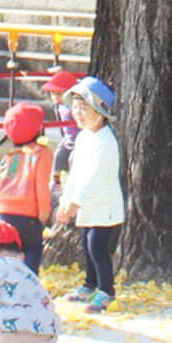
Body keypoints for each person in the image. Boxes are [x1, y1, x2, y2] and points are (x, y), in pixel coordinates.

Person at [55, 76, 123, 314]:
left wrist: (75, 202)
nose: (78, 113)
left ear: (100, 110)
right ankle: (90, 284)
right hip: (87, 207)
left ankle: (106, 291)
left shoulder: (105, 140)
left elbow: (97, 177)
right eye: (75, 108)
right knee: (86, 245)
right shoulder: (84, 137)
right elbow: (76, 174)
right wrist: (66, 200)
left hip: (103, 206)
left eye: (84, 108)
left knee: (98, 248)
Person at [0, 103, 53, 273]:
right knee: (32, 250)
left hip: (5, 211)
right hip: (29, 214)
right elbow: (41, 185)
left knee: (11, 254)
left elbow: (0, 182)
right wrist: (44, 213)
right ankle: (28, 287)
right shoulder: (41, 154)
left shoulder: (10, 156)